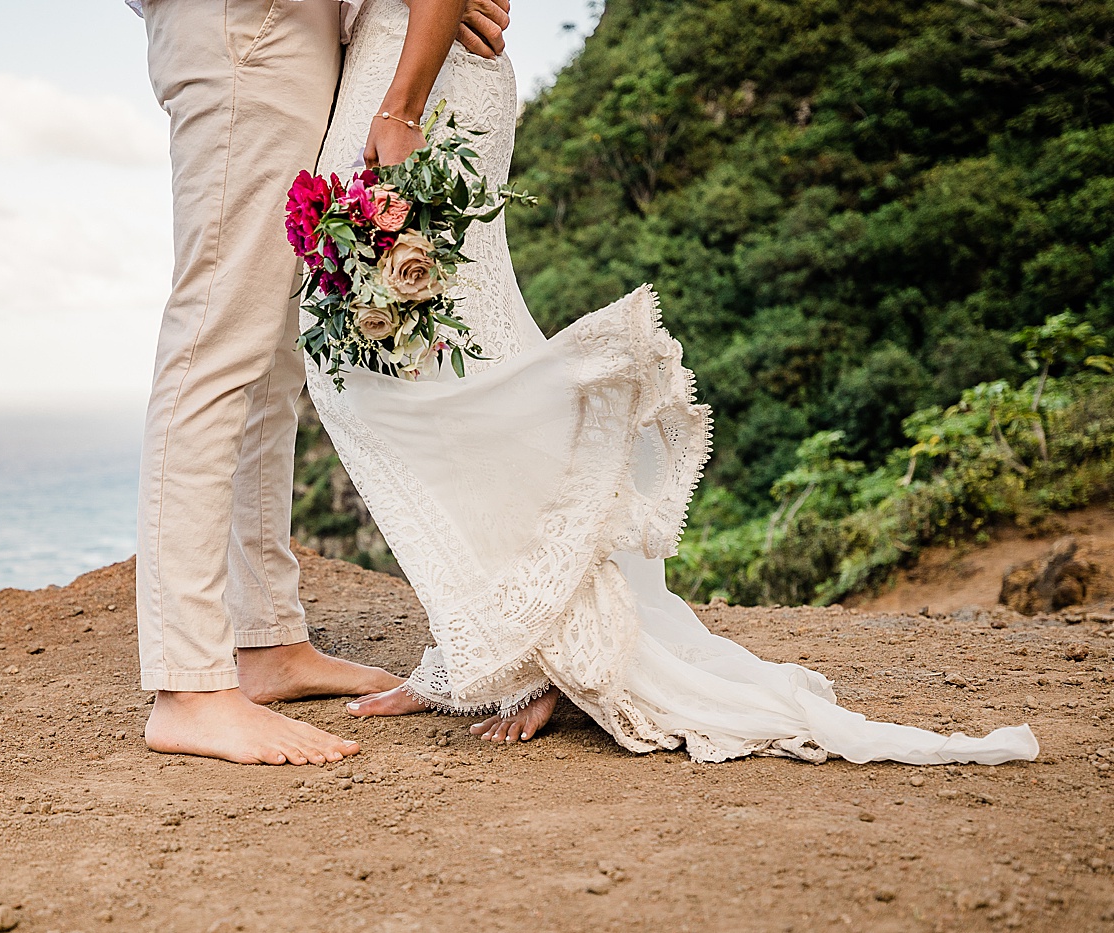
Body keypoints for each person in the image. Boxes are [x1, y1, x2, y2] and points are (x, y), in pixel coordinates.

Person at [314, 0, 1040, 766]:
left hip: (413, 78)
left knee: (397, 362)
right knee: (413, 358)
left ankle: (549, 641)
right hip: (405, 61)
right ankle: (507, 637)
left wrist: (401, 105)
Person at [131, 0, 513, 766]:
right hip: (248, 24)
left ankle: (266, 641)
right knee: (217, 332)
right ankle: (188, 687)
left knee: (269, 353)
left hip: (289, 27)